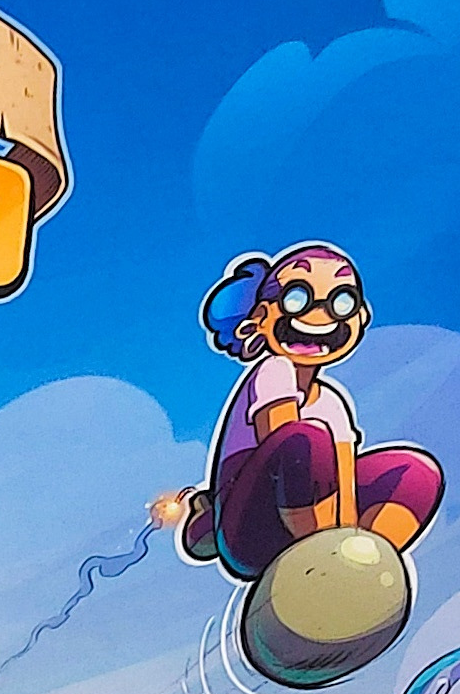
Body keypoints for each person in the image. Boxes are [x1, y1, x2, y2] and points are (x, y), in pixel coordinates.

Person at [176, 244, 442, 583]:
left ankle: (363, 562)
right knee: (306, 439)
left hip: (314, 513)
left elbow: (345, 485)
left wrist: (346, 533)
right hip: (251, 530)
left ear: (359, 317)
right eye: (297, 298)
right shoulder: (274, 371)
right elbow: (282, 443)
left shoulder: (332, 403)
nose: (320, 315)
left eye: (341, 302)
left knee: (414, 472)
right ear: (261, 317)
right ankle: (317, 557)